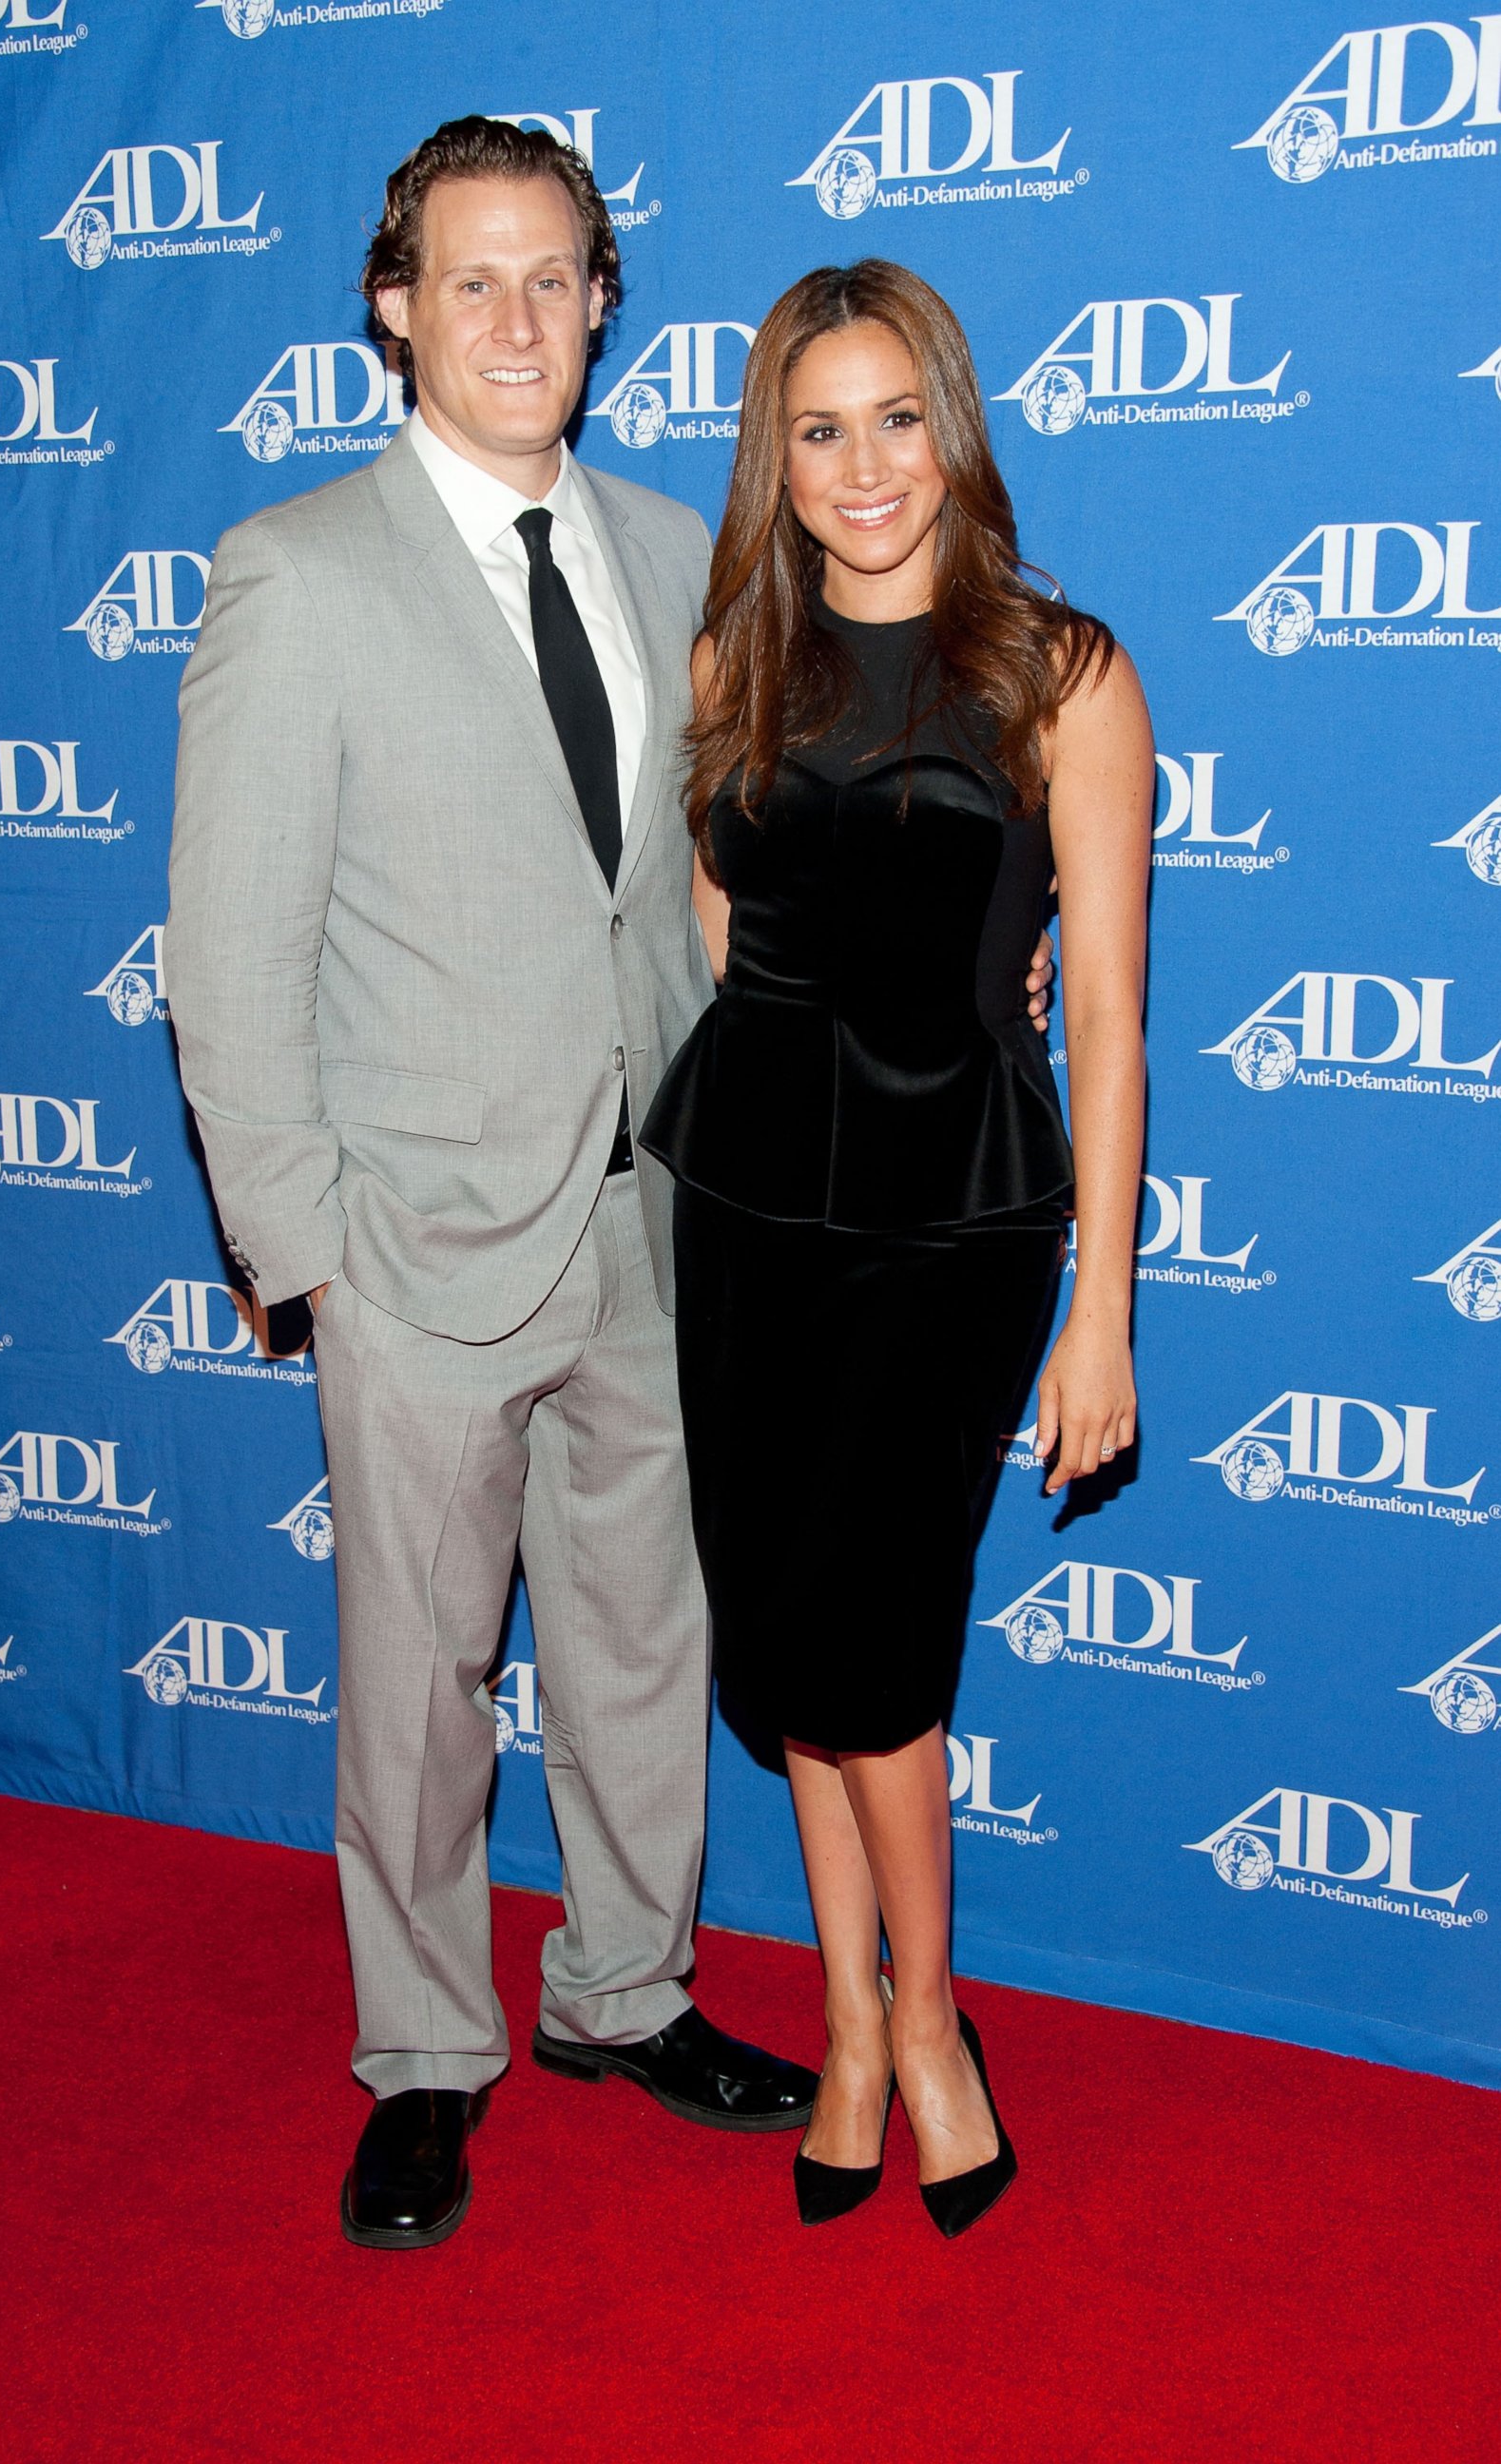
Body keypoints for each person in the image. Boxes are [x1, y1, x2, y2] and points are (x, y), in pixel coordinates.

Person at [164, 117, 827, 2254]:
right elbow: (231, 950)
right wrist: (307, 1254)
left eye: (554, 278)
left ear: (604, 303)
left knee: (646, 1643)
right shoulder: (300, 571)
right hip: (418, 1248)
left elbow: (697, 894)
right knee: (418, 1682)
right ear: (395, 309)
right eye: (472, 280)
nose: (517, 319)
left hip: (649, 1226)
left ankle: (624, 1997)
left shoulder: (666, 548)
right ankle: (427, 2058)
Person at [640, 260, 1152, 2238]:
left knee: (875, 1644)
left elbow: (1102, 1006)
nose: (862, 465)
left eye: (896, 416)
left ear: (956, 420)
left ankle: (928, 2022)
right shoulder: (732, 664)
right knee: (785, 1632)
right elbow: (714, 925)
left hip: (956, 1215)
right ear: (777, 448)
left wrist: (1101, 1307)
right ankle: (846, 2033)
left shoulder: (1061, 674)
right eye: (817, 425)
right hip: (749, 1197)